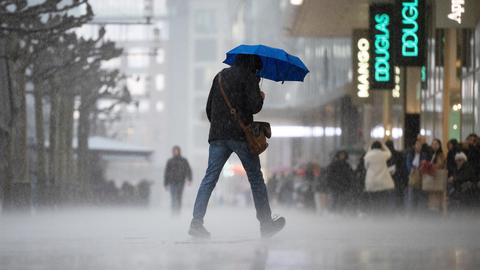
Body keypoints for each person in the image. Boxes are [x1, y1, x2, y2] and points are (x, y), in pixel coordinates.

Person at [188, 54, 285, 239]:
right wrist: (260, 96)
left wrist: (220, 125)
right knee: (256, 178)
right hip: (241, 136)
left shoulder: (220, 76)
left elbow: (209, 109)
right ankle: (266, 224)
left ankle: (196, 222)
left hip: (217, 136)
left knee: (209, 179)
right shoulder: (248, 77)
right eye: (257, 68)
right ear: (252, 65)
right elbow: (254, 106)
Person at [363, 141, 395, 214]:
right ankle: (381, 216)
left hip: (371, 182)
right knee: (382, 201)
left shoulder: (368, 155)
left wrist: (369, 149)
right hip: (383, 182)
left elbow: (366, 167)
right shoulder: (383, 154)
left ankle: (374, 216)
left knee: (373, 202)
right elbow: (389, 153)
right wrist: (384, 146)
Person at [164, 146, 192, 215]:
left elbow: (188, 170)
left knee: (179, 197)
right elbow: (166, 172)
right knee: (173, 197)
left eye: (177, 150)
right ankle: (173, 212)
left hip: (181, 181)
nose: (175, 152)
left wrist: (189, 179)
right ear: (172, 151)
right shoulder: (170, 161)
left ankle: (178, 212)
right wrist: (166, 183)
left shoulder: (184, 160)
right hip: (172, 182)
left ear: (179, 151)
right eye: (174, 151)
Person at [405, 140, 430, 213]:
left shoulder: (424, 155)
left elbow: (424, 164)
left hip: (421, 176)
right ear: (414, 146)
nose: (418, 147)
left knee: (421, 196)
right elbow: (408, 164)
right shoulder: (410, 154)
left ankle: (421, 212)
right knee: (411, 196)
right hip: (412, 176)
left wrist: (420, 168)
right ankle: (411, 212)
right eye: (417, 145)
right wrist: (412, 169)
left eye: (420, 145)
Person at [385, 140, 408, 211]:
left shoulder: (385, 156)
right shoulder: (398, 154)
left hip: (388, 179)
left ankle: (390, 210)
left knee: (389, 197)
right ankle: (398, 210)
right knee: (398, 196)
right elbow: (403, 167)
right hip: (398, 178)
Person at [426, 138, 446, 212]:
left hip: (438, 178)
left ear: (439, 145)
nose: (434, 145)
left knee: (437, 196)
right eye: (432, 144)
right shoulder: (431, 154)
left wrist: (431, 166)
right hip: (432, 178)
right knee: (432, 196)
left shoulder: (440, 154)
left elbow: (440, 165)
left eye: (436, 144)